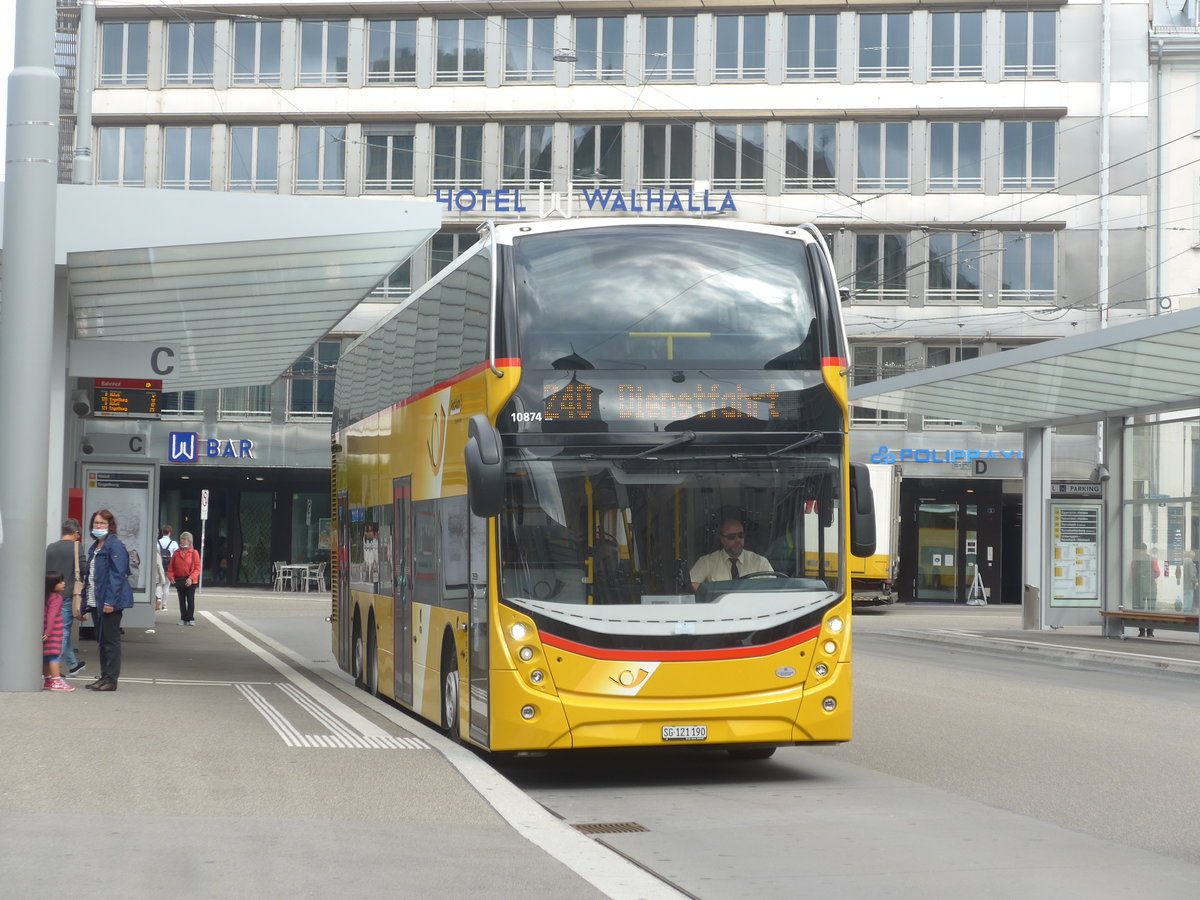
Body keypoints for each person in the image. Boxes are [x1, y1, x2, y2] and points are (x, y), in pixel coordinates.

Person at [83, 508, 135, 691]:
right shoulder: (96, 546)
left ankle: (111, 679)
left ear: (109, 525)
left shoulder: (115, 545)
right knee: (102, 641)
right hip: (96, 601)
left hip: (109, 602)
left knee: (110, 641)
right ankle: (104, 677)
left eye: (102, 523)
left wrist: (109, 602)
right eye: (96, 523)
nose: (98, 526)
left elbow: (117, 575)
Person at [45, 518, 86, 676]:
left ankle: (73, 664)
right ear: (76, 533)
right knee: (63, 631)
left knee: (60, 629)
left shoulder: (51, 548)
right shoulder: (77, 547)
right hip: (67, 595)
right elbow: (83, 568)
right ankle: (53, 667)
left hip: (50, 595)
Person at [691, 518, 773, 591]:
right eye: (732, 536)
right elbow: (691, 584)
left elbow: (774, 588)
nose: (737, 540)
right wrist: (712, 591)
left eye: (740, 535)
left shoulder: (761, 563)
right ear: (722, 539)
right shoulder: (707, 562)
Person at [42, 571, 75, 692]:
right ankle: (56, 680)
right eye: (60, 582)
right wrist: (49, 632)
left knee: (46, 656)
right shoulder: (57, 598)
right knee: (54, 656)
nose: (64, 583)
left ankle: (48, 679)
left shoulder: (44, 596)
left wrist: (45, 631)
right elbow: (52, 615)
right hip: (53, 631)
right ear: (52, 584)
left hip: (45, 629)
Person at [169, 531, 202, 626]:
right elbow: (171, 568)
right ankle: (183, 618)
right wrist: (171, 577)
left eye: (184, 539)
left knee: (190, 600)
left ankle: (190, 618)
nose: (181, 541)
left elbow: (197, 568)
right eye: (181, 539)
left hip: (191, 580)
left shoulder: (194, 553)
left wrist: (191, 578)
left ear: (189, 541)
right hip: (179, 580)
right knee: (181, 600)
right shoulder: (176, 553)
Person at [1129, 542, 1158, 637]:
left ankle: (1142, 631)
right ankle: (1150, 632)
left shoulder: (1135, 560)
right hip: (1151, 587)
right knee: (1151, 609)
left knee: (1141, 609)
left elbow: (1133, 574)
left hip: (1141, 588)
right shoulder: (1152, 559)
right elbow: (1157, 573)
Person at [157, 526, 179, 612]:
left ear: (162, 532)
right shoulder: (174, 543)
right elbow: (176, 556)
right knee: (166, 586)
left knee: (158, 583)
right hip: (169, 566)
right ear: (170, 532)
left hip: (159, 565)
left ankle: (158, 599)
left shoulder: (157, 542)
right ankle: (164, 605)